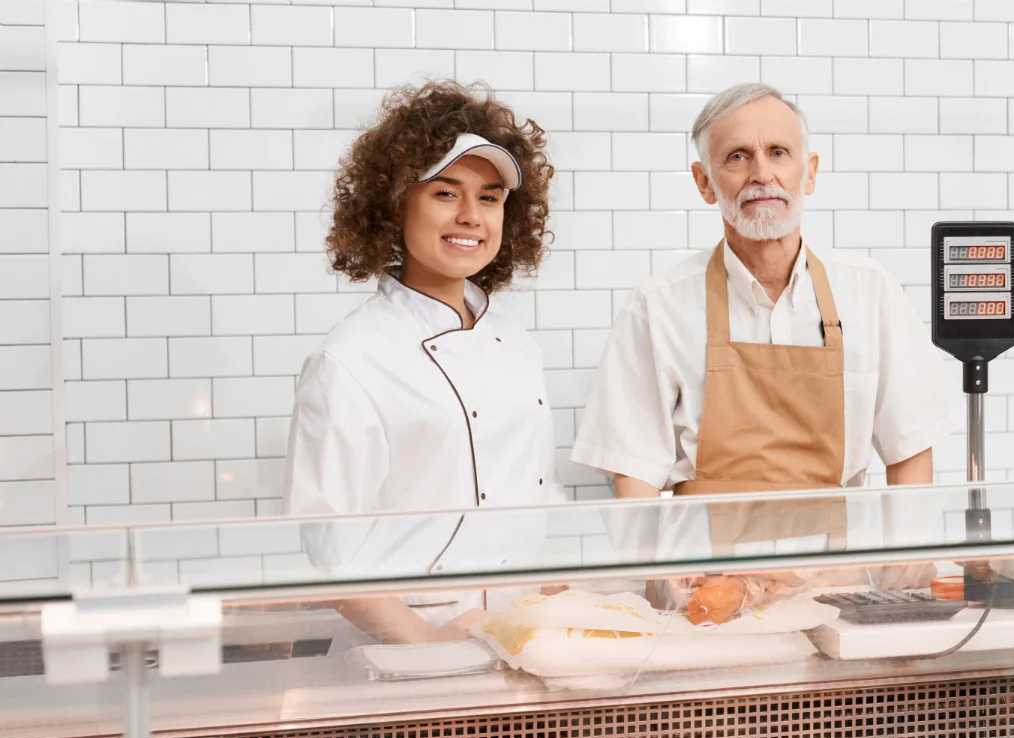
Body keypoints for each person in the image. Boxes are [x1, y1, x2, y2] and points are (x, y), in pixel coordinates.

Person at [572, 82, 960, 504]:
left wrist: (901, 559)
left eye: (778, 153)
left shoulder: (870, 292)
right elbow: (634, 473)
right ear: (704, 183)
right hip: (708, 565)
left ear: (809, 172)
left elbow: (911, 451)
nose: (762, 175)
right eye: (737, 157)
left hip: (834, 566)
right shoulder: (656, 306)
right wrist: (655, 568)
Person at [283, 81, 556, 644]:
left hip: (517, 643)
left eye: (488, 197)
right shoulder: (350, 359)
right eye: (445, 192)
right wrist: (427, 644)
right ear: (394, 203)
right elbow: (331, 551)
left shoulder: (520, 347)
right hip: (404, 655)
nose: (471, 216)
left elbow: (532, 503)